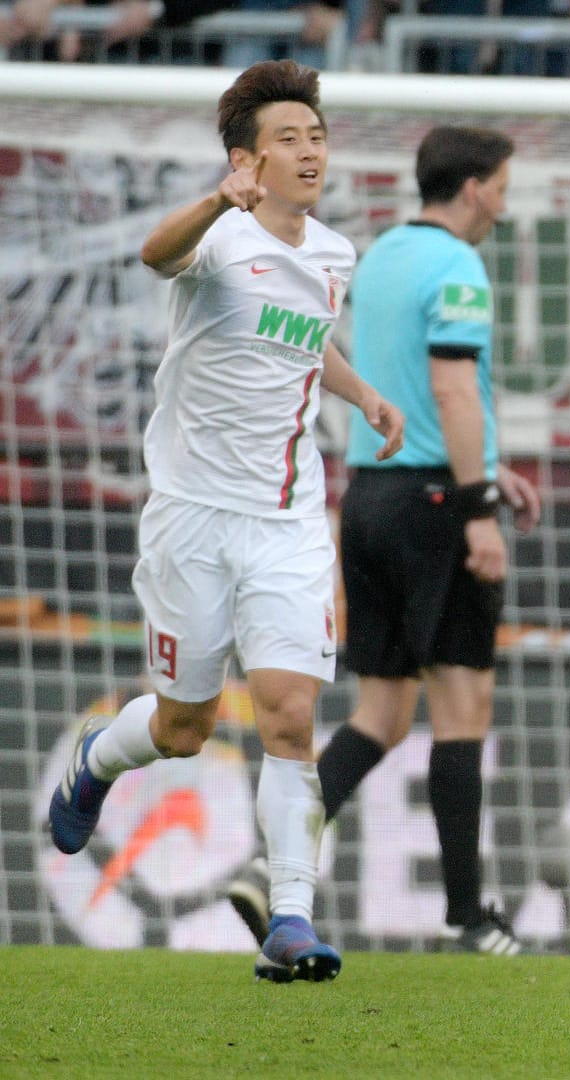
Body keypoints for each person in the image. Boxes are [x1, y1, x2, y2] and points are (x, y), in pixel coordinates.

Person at [47, 60, 404, 983]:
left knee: (290, 716)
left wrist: (360, 390)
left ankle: (290, 918)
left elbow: (303, 335)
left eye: (316, 136)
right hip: (193, 519)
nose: (309, 151)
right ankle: (97, 759)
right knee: (184, 728)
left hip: (286, 522)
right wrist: (217, 203)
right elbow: (154, 255)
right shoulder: (216, 239)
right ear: (247, 159)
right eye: (288, 139)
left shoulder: (333, 254)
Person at [226, 125, 542, 957]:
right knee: (463, 705)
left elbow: (413, 384)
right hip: (437, 501)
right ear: (474, 187)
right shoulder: (458, 267)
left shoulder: (388, 252)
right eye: (503, 187)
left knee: (382, 712)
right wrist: (478, 505)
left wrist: (491, 471)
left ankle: (270, 871)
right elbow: (450, 388)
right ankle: (471, 918)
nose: (505, 204)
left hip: (370, 497)